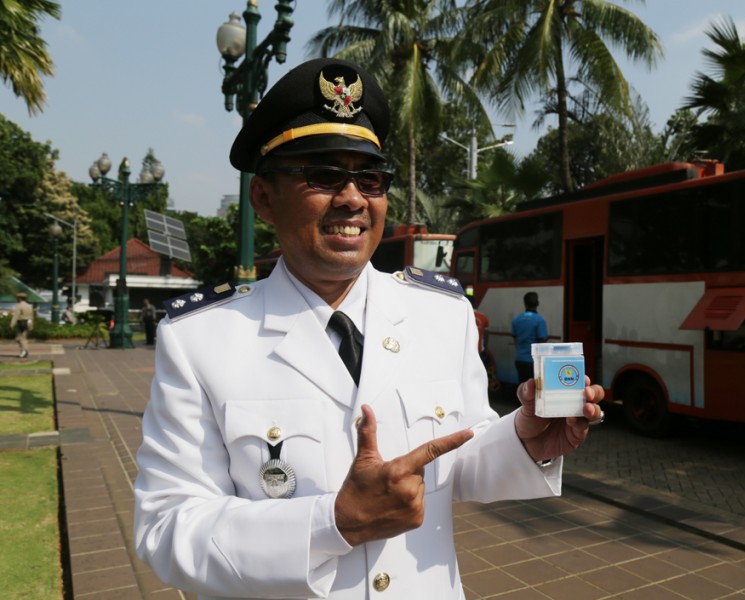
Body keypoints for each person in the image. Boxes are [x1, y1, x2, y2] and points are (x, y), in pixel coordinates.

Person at [134, 58, 604, 600]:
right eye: (323, 175)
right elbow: (166, 527)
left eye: (370, 178)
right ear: (263, 197)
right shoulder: (202, 339)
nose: (353, 198)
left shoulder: (442, 315)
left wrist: (525, 438)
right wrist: (331, 522)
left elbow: (459, 460)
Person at [512, 291, 549, 384]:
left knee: (523, 386)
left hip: (520, 360)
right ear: (537, 303)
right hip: (533, 362)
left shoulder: (516, 319)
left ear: (525, 304)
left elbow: (515, 339)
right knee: (535, 388)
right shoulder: (540, 320)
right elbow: (542, 340)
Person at [10, 292, 34, 358]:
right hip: (28, 322)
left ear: (20, 298)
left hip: (21, 323)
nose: (17, 299)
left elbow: (16, 315)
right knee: (24, 337)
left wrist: (12, 324)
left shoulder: (19, 305)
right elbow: (31, 316)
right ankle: (25, 350)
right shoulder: (29, 306)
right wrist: (31, 325)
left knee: (19, 338)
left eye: (17, 298)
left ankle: (24, 351)